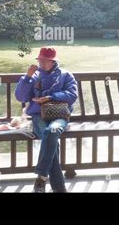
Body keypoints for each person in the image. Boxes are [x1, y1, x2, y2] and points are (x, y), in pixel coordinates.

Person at [15, 46, 78, 193]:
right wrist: (27, 78)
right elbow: (21, 97)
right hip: (38, 115)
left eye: (45, 60)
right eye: (40, 60)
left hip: (60, 115)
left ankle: (41, 178)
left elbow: (72, 95)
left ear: (53, 61)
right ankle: (59, 188)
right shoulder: (34, 75)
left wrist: (51, 97)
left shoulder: (66, 75)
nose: (41, 63)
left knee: (51, 131)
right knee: (50, 139)